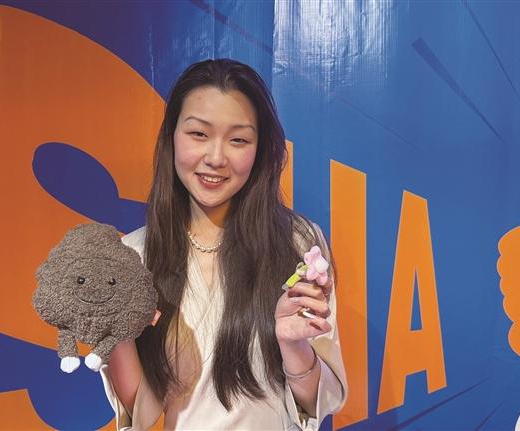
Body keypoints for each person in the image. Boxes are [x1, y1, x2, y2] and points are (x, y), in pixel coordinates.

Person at [99, 59, 347, 430]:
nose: (215, 158)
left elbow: (319, 403)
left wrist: (292, 346)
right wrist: (114, 332)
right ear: (171, 137)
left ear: (260, 149)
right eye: (199, 134)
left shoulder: (298, 242)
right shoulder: (134, 256)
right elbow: (142, 413)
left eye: (238, 140)